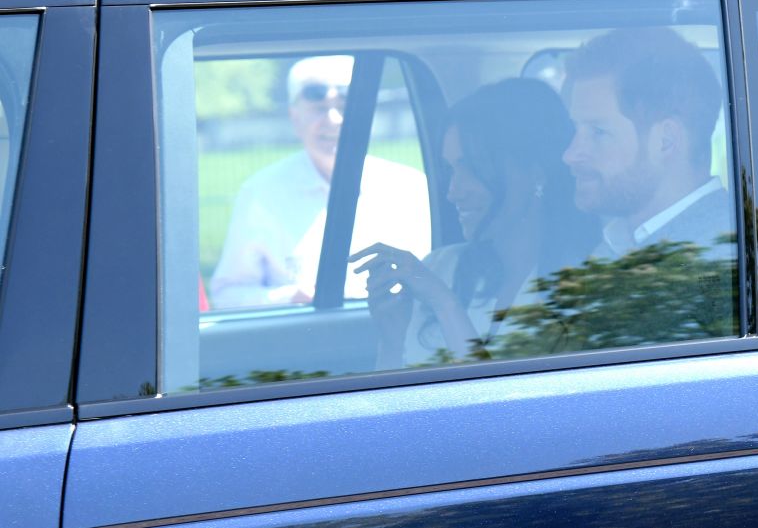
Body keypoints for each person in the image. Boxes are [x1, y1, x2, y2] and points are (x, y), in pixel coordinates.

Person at [349, 78, 597, 369]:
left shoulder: (586, 286)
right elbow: (391, 405)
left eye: (471, 167)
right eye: (451, 169)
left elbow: (501, 409)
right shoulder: (440, 267)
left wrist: (447, 306)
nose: (454, 191)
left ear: (535, 172)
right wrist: (392, 340)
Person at [209, 55, 430, 309]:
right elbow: (227, 295)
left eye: (345, 106)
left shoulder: (411, 188)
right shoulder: (260, 194)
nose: (334, 119)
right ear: (295, 117)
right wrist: (289, 296)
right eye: (319, 108)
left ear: (368, 116)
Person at [560, 27, 734, 260]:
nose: (570, 155)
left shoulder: (726, 257)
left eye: (598, 132)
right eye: (576, 130)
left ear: (666, 141)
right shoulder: (619, 244)